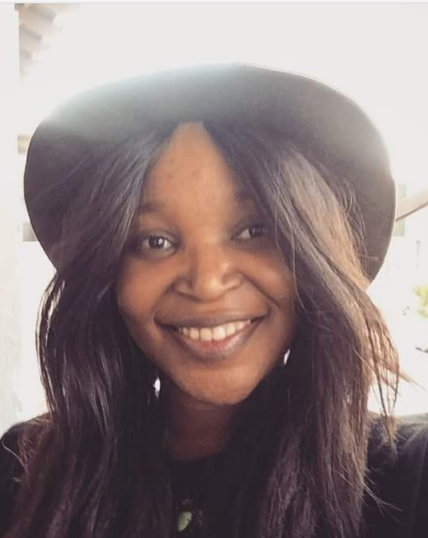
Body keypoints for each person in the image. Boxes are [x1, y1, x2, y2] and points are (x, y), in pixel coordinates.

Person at [0, 64, 427, 538]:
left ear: (311, 255)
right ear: (108, 274)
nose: (206, 283)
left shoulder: (408, 479)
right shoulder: (25, 471)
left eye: (253, 230)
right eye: (155, 241)